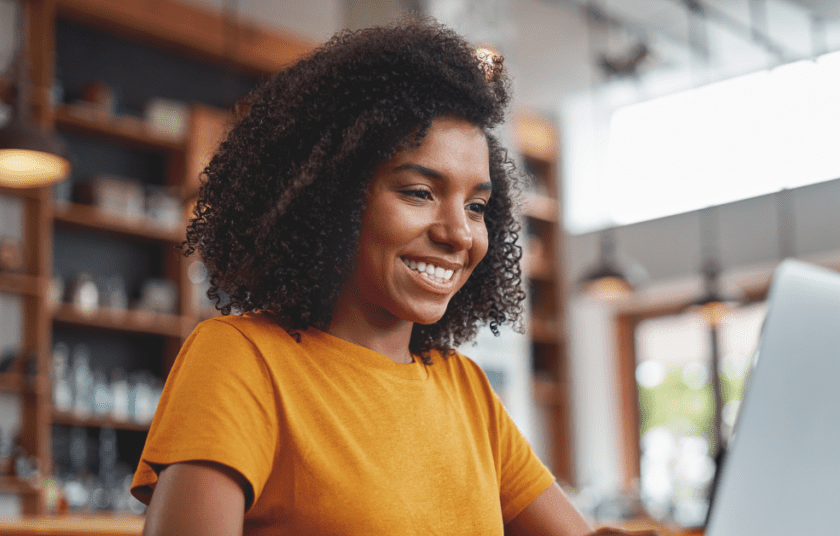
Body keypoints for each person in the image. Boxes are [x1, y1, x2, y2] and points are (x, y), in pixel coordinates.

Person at [130, 16, 655, 536]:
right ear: (332, 199)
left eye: (476, 206)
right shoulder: (242, 360)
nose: (459, 234)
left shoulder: (465, 388)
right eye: (418, 192)